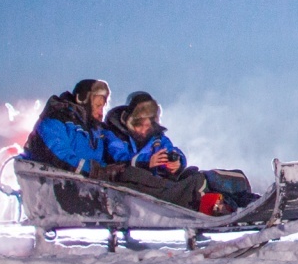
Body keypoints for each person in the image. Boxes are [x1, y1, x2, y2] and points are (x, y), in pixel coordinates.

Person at [102, 91, 254, 214]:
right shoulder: (115, 135)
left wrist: (176, 162)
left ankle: (248, 202)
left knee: (204, 178)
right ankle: (229, 206)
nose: (143, 130)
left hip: (161, 183)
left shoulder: (157, 139)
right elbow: (118, 157)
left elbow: (171, 150)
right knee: (198, 182)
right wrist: (146, 162)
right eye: (139, 125)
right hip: (143, 185)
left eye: (147, 126)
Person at [20, 79, 113, 176]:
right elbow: (59, 154)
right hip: (46, 179)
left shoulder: (97, 132)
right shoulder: (56, 120)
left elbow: (100, 161)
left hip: (83, 181)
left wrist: (111, 172)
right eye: (98, 105)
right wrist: (94, 171)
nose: (101, 113)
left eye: (103, 107)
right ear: (83, 99)